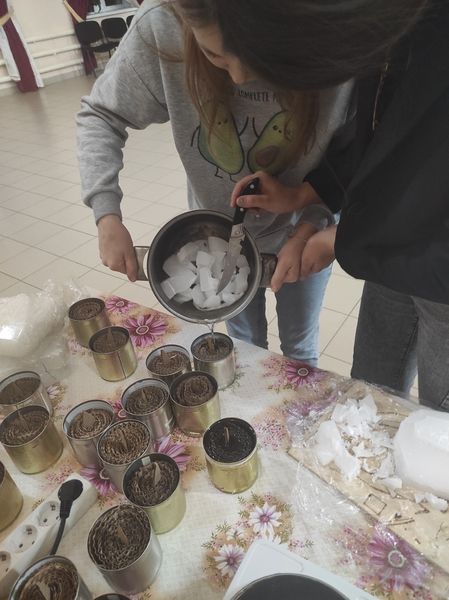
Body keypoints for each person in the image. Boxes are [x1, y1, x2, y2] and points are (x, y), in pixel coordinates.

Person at [179, 0, 449, 409]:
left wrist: (341, 238)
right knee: (368, 393)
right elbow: (380, 136)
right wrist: (305, 194)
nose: (239, 78)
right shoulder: (398, 40)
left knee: (438, 422)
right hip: (389, 256)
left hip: (437, 269)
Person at [77, 0, 352, 365]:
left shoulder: (338, 40)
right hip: (221, 233)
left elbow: (351, 158)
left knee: (299, 349)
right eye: (215, 56)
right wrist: (106, 215)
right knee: (243, 346)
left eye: (262, 63)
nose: (238, 78)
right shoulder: (163, 24)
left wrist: (309, 225)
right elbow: (101, 115)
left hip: (306, 234)